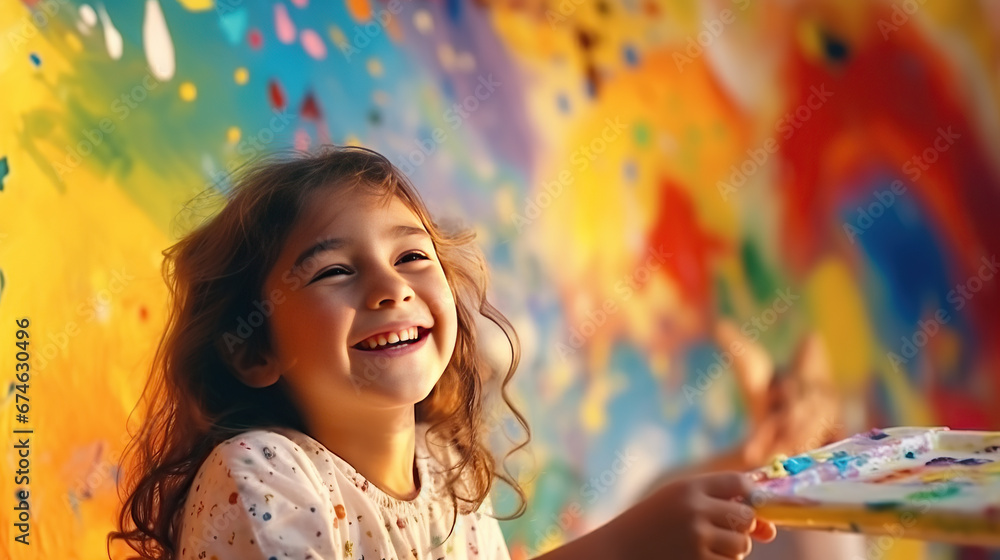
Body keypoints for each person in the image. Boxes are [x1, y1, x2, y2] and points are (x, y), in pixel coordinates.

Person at [108, 145, 776, 560]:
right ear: (254, 350)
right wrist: (624, 547)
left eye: (411, 257)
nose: (391, 288)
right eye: (334, 271)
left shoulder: (447, 471)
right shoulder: (258, 472)